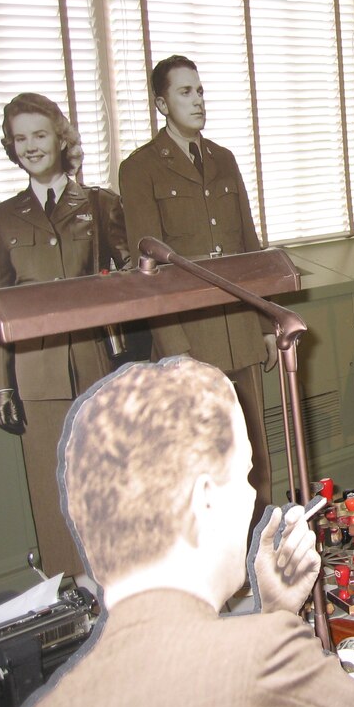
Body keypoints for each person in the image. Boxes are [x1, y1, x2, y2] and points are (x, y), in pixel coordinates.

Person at [0, 357, 354, 707]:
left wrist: (276, 613)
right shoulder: (260, 656)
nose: (253, 495)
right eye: (245, 475)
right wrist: (277, 631)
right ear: (205, 499)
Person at [119, 54, 277, 526]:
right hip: (190, 341)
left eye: (200, 90)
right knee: (202, 466)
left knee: (253, 459)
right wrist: (175, 351)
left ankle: (261, 561)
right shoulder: (141, 169)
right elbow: (150, 272)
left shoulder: (224, 160)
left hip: (239, 331)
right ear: (161, 103)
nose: (197, 100)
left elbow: (249, 247)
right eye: (185, 92)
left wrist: (266, 324)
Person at [0, 93, 132, 578]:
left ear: (61, 138)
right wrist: (1, 383)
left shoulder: (100, 204)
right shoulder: (0, 219)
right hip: (36, 375)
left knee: (106, 483)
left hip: (97, 365)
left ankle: (121, 589)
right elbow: (0, 307)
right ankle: (70, 600)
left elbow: (134, 282)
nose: (30, 146)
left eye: (39, 135)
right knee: (53, 494)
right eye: (20, 138)